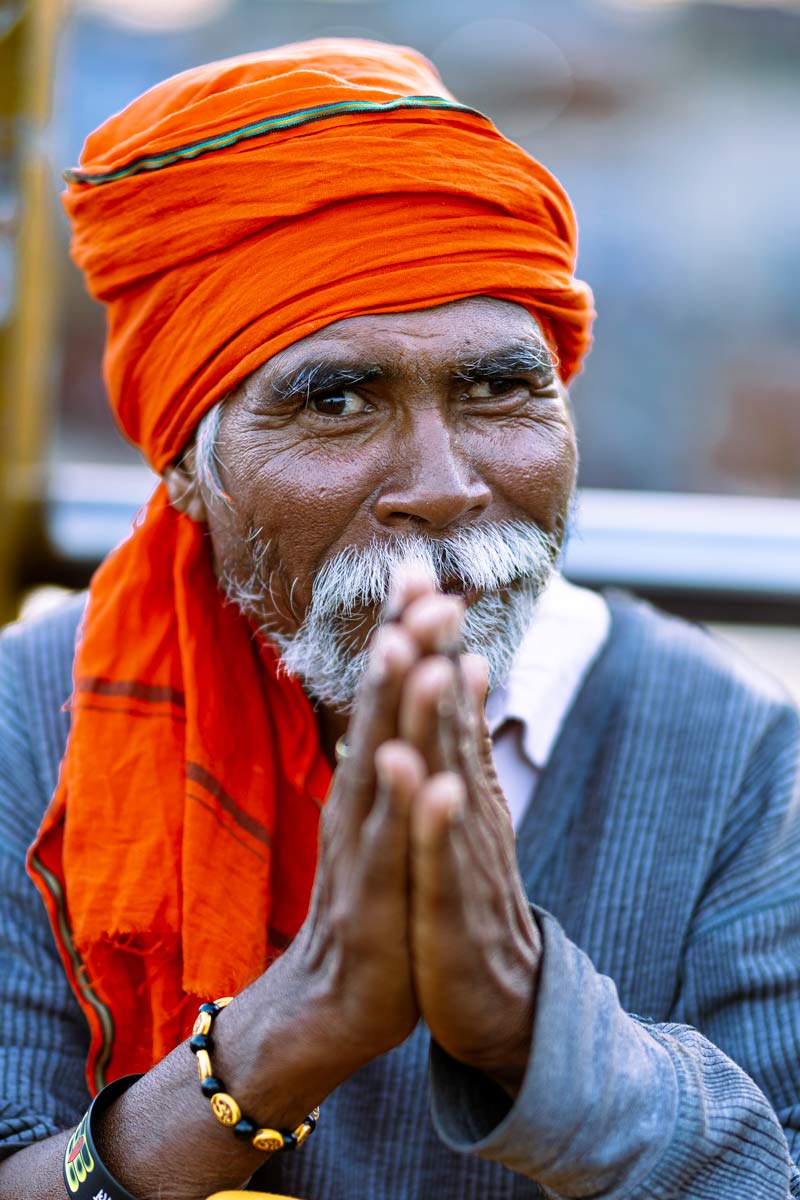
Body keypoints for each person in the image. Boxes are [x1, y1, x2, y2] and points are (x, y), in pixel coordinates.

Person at [0, 36, 798, 1200]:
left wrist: (524, 1015)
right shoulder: (32, 716)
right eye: (334, 398)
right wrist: (293, 1029)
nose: (442, 484)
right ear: (186, 467)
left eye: (497, 387)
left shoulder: (726, 747)